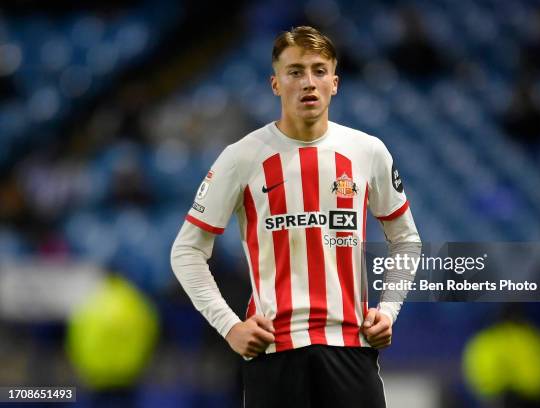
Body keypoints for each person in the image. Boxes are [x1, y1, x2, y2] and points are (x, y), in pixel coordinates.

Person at [170, 26, 421, 408]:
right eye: (295, 71)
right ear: (275, 84)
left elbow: (406, 239)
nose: (308, 82)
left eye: (319, 71)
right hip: (274, 352)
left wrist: (388, 310)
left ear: (335, 83)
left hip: (351, 348)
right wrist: (229, 326)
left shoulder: (368, 152)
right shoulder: (242, 156)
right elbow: (186, 251)